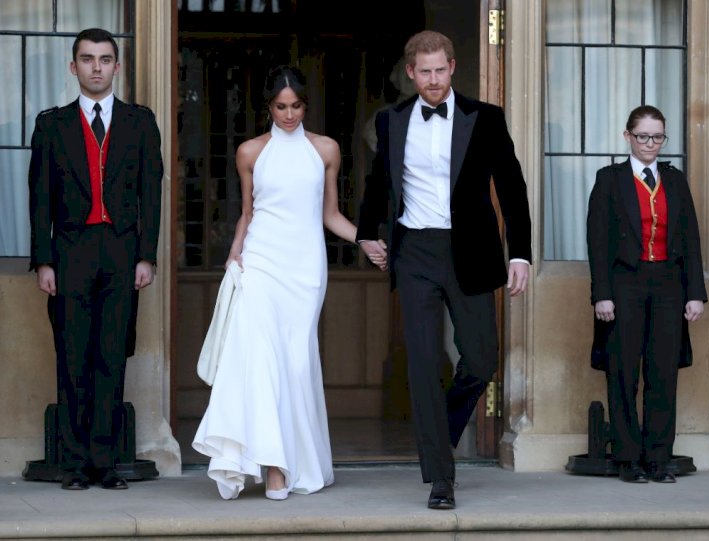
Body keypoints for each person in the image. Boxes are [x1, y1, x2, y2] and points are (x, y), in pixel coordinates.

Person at [192, 66, 387, 501]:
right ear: (269, 106)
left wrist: (365, 239)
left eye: (296, 106)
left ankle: (296, 460)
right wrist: (234, 254)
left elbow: (329, 214)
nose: (289, 114)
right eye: (281, 106)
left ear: (305, 105)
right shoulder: (250, 152)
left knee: (296, 363)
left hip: (305, 268)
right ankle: (273, 466)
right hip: (261, 261)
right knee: (261, 358)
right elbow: (248, 212)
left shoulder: (326, 150)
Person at [356, 30, 532, 510]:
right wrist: (367, 232)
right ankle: (440, 476)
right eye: (424, 72)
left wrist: (521, 253)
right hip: (415, 252)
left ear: (453, 67)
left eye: (440, 70)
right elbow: (378, 182)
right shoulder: (391, 121)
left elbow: (512, 188)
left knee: (481, 360)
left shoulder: (486, 119)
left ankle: (443, 430)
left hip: (470, 251)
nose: (433, 80)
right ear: (411, 73)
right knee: (423, 363)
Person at [28, 28, 163, 490]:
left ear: (117, 66)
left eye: (105, 59)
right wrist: (44, 261)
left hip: (122, 254)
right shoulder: (52, 124)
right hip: (70, 255)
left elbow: (152, 194)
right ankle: (74, 464)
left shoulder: (140, 123)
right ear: (74, 67)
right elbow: (39, 199)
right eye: (87, 59)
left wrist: (148, 256)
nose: (97, 67)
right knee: (71, 357)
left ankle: (105, 464)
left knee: (110, 356)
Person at [587, 105, 706, 484]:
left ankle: (657, 457)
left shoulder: (675, 180)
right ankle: (627, 457)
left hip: (669, 285)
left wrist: (695, 293)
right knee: (623, 372)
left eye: (658, 137)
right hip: (625, 285)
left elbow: (690, 238)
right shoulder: (609, 179)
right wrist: (601, 294)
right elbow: (598, 242)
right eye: (643, 136)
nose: (650, 144)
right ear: (628, 137)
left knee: (663, 373)